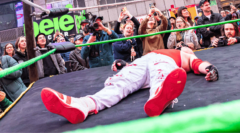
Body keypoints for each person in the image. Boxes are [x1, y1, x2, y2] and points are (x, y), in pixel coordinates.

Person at [41, 49, 218, 124]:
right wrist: (123, 64)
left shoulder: (186, 55)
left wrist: (209, 68)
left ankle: (160, 95)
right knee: (120, 82)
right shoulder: (165, 51)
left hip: (162, 62)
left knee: (161, 70)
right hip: (141, 62)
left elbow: (199, 64)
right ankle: (83, 105)